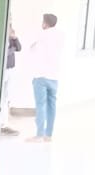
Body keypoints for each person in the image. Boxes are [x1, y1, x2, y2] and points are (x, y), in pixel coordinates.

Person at [28, 13, 64, 143]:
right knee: (52, 106)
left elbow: (32, 48)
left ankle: (39, 135)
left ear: (45, 23)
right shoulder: (61, 35)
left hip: (41, 75)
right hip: (54, 76)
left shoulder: (42, 34)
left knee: (41, 105)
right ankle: (48, 135)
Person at [1, 16, 22, 136]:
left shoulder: (11, 35)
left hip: (11, 68)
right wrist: (12, 49)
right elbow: (5, 52)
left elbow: (19, 48)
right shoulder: (2, 34)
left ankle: (5, 122)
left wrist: (15, 38)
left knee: (7, 95)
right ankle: (2, 123)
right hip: (3, 69)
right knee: (2, 95)